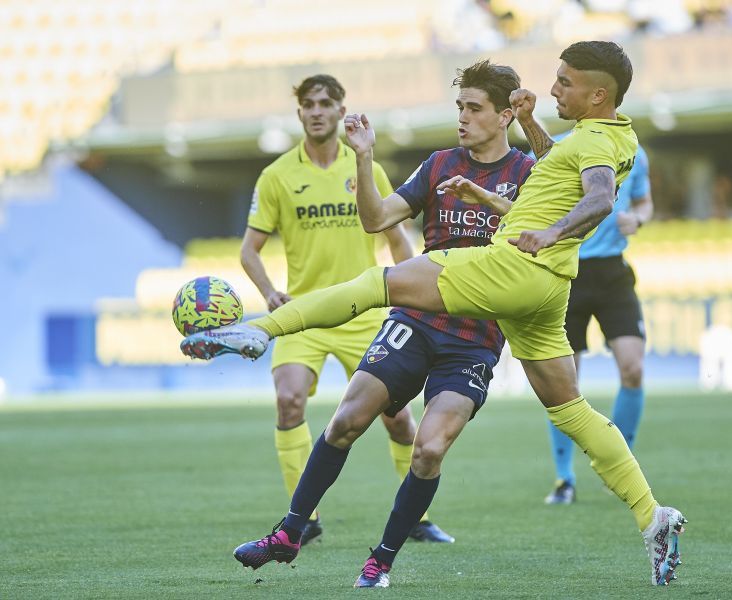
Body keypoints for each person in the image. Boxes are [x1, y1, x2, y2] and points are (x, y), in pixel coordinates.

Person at [183, 41, 687, 586]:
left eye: (564, 82)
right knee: (570, 409)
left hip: (513, 269)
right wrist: (530, 132)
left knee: (381, 283)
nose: (554, 86)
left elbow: (599, 197)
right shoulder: (615, 135)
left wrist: (553, 231)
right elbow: (558, 171)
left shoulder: (590, 142)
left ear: (597, 94)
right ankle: (651, 515)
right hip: (548, 291)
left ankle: (259, 331)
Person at [231, 59, 533, 588]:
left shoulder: (528, 174)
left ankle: (383, 558)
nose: (462, 117)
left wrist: (485, 200)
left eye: (474, 108)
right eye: (459, 107)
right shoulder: (439, 165)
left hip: (475, 339)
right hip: (415, 320)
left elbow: (541, 230)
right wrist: (365, 158)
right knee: (347, 418)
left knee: (430, 447)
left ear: (505, 114)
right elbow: (377, 219)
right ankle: (291, 531)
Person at [240, 73, 450, 545]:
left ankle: (416, 517)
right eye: (308, 104)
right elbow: (249, 250)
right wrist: (271, 293)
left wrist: (419, 294)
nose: (316, 111)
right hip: (307, 314)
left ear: (340, 110)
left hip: (366, 313)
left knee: (397, 418)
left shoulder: (367, 169)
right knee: (289, 398)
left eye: (325, 103)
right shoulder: (277, 176)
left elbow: (397, 238)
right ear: (300, 114)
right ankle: (303, 518)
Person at [543, 143, 654, 505]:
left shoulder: (633, 152)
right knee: (564, 383)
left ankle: (619, 468)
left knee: (633, 369)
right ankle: (564, 479)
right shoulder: (558, 146)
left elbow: (644, 203)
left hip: (612, 272)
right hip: (567, 271)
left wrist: (637, 219)